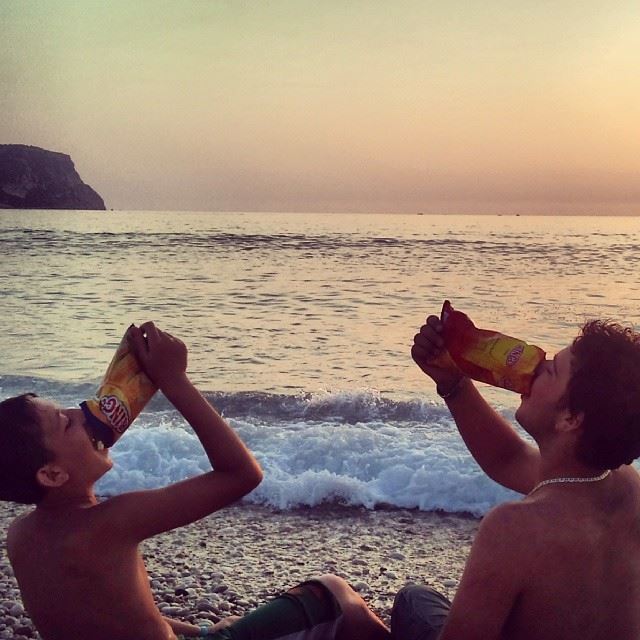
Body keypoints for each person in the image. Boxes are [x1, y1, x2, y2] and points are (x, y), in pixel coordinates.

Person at [0, 322, 388, 640]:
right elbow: (242, 474)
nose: (82, 411)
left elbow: (110, 618)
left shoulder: (21, 536)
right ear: (52, 474)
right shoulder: (112, 522)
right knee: (335, 592)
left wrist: (197, 629)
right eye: (66, 422)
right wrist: (174, 381)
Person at [391, 314, 640, 639]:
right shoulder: (626, 487)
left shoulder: (512, 530)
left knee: (407, 601)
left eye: (551, 369)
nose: (535, 367)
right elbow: (507, 458)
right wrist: (452, 381)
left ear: (570, 418)